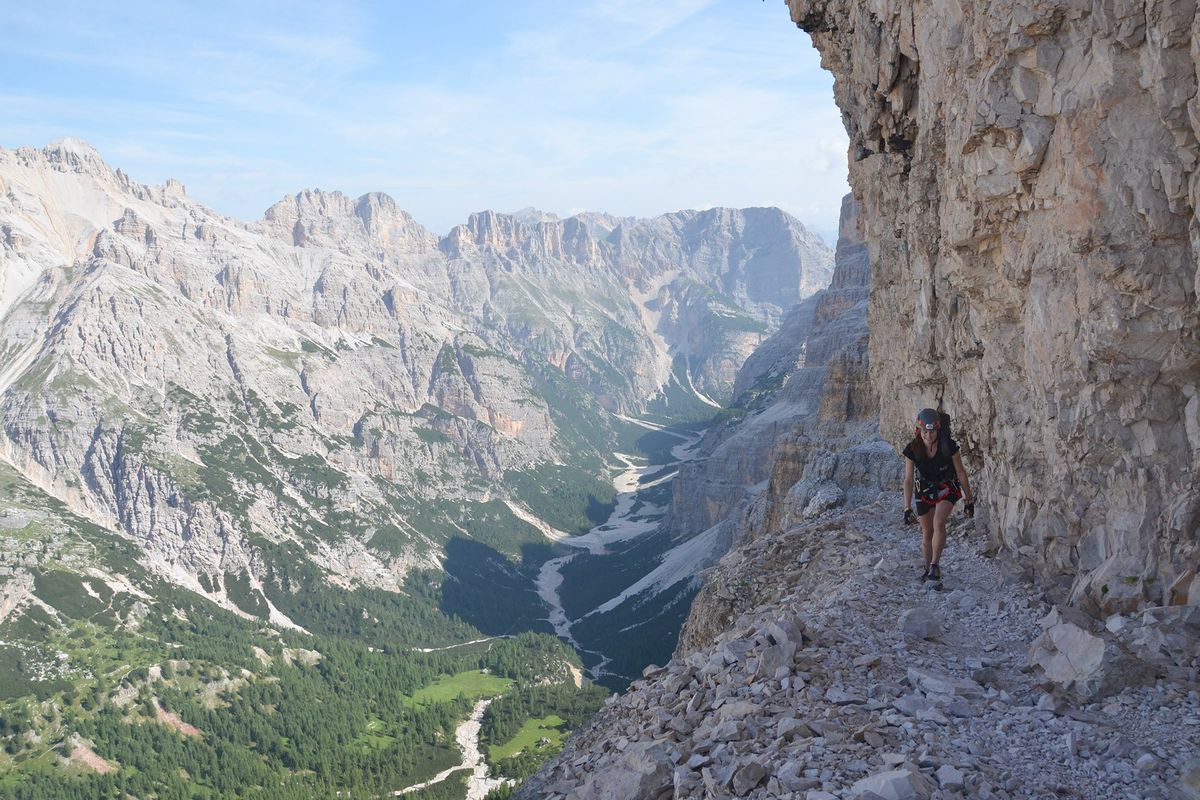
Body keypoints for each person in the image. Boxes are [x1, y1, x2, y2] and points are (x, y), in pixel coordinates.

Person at [902, 408, 974, 582]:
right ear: (919, 431)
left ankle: (935, 565)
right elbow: (908, 480)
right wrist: (906, 507)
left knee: (939, 521)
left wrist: (969, 499)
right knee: (927, 532)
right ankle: (928, 570)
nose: (928, 436)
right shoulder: (912, 449)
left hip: (947, 487)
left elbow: (961, 472)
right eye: (925, 432)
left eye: (932, 432)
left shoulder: (948, 446)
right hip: (924, 490)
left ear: (938, 430)